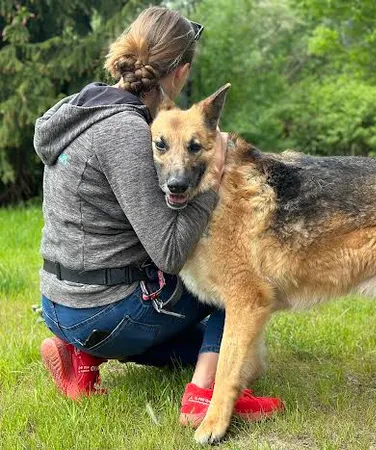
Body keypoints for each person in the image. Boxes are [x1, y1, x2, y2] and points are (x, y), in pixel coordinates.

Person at [34, 6, 281, 426]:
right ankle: (203, 396)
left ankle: (82, 355)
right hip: (106, 310)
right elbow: (168, 253)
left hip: (57, 303)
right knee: (240, 282)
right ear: (180, 73)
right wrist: (215, 171)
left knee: (200, 344)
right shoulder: (129, 132)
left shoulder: (81, 106)